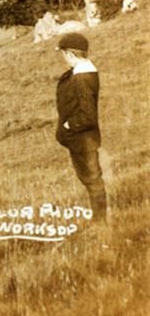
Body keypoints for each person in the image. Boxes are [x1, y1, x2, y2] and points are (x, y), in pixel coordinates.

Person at [54, 33, 107, 222]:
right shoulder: (78, 72)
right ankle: (99, 220)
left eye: (63, 53)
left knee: (92, 179)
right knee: (90, 179)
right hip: (80, 139)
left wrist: (68, 126)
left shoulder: (83, 77)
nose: (63, 58)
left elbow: (88, 116)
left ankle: (100, 222)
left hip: (84, 140)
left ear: (70, 53)